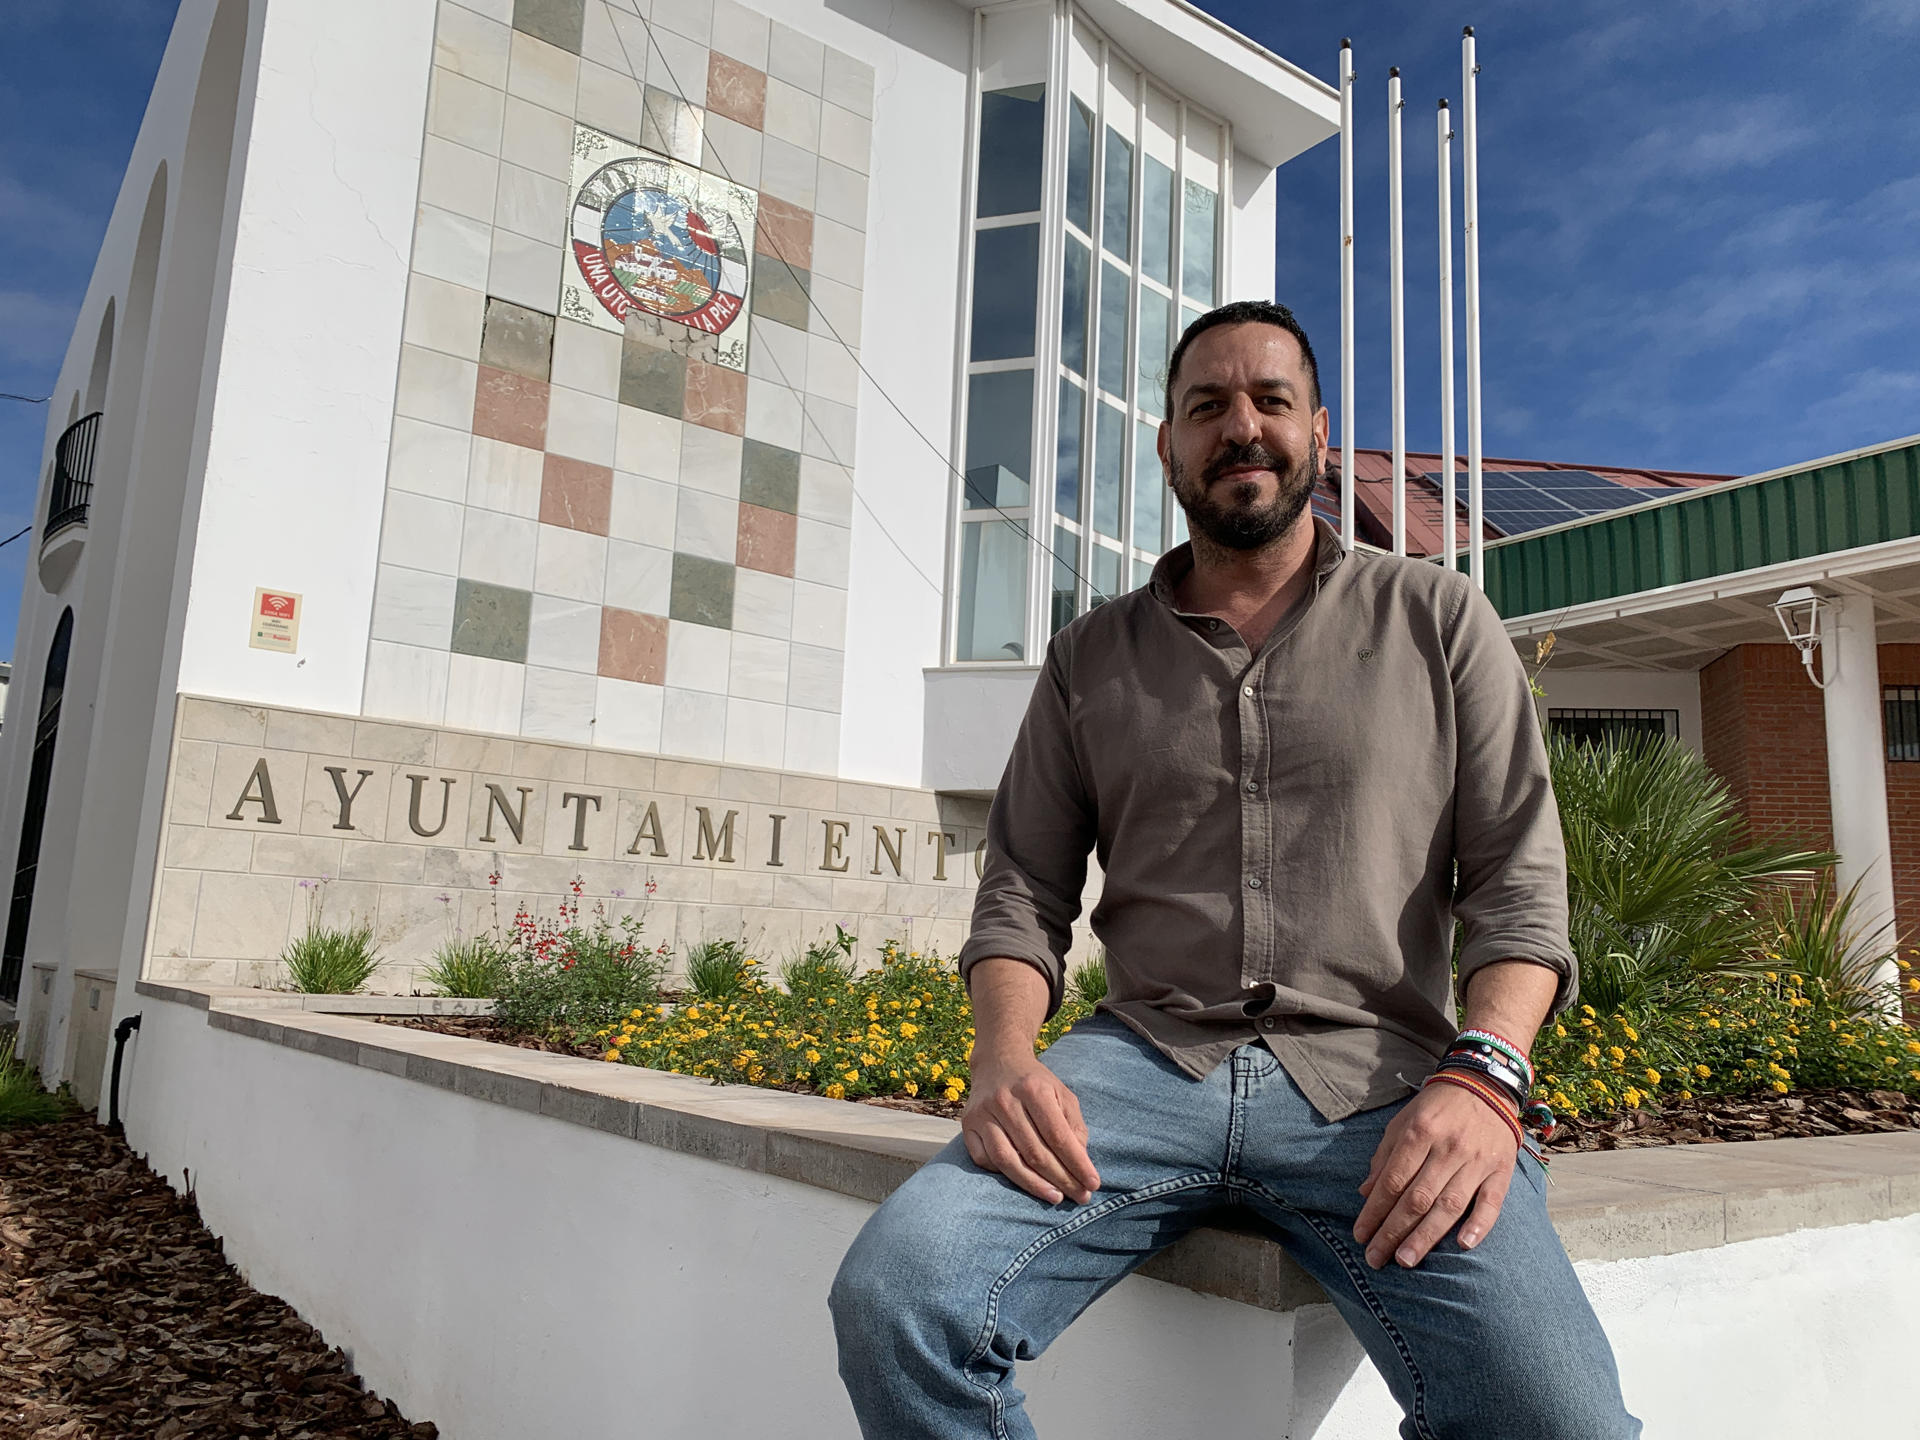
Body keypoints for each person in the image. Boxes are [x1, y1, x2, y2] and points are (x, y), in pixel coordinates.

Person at [829, 300, 1640, 1439]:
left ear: (1317, 429)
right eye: (1206, 406)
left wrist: (1486, 1078)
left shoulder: (1439, 619)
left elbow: (1519, 884)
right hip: (1142, 1073)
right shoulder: (1087, 659)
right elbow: (1022, 890)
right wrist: (1004, 1057)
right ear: (1168, 443)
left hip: (1382, 1085)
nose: (1240, 426)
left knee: (1561, 1421)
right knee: (897, 1299)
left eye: (1269, 400)